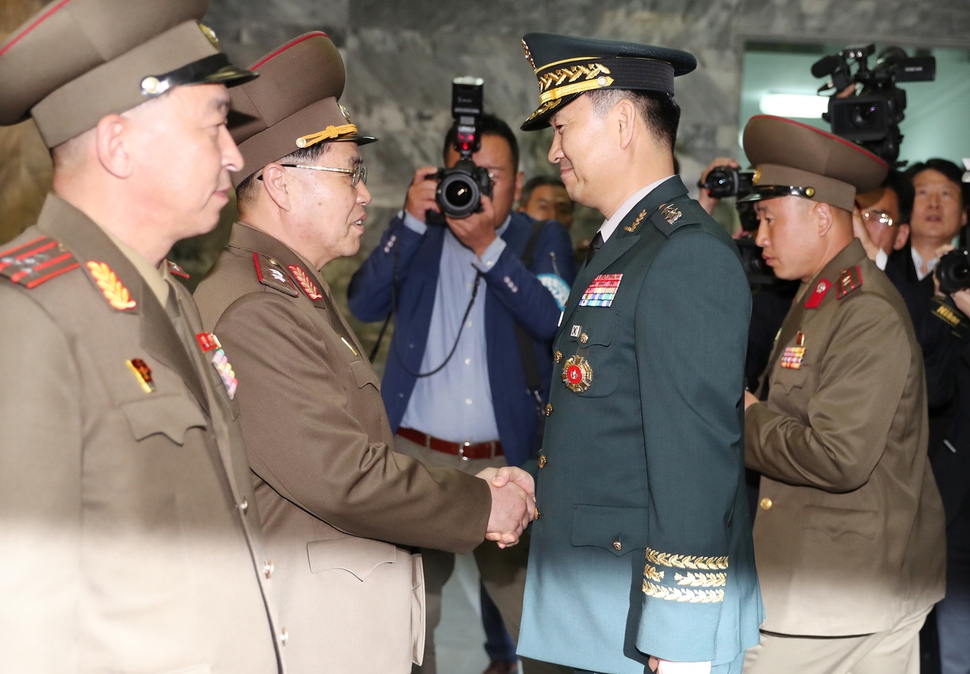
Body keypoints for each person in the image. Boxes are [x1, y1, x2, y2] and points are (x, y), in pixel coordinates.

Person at [192, 33, 536, 674]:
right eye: (348, 173)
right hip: (314, 636)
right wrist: (482, 504)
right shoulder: (256, 309)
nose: (361, 195)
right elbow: (345, 477)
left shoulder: (291, 290)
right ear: (282, 184)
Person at [0, 2, 286, 672]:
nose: (235, 154)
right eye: (215, 122)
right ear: (118, 145)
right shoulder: (29, 320)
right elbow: (21, 623)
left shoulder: (167, 295)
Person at [514, 32, 763, 674]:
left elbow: (696, 462)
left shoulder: (684, 257)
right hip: (588, 608)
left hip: (638, 626)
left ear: (622, 122)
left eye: (564, 128)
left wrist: (680, 641)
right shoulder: (626, 245)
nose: (554, 150)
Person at [347, 108, 576, 673]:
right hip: (417, 461)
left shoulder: (539, 238)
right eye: (463, 174)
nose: (473, 189)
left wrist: (487, 248)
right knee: (408, 624)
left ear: (518, 184)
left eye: (489, 178)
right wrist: (406, 220)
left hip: (508, 463)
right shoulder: (420, 235)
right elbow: (361, 304)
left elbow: (553, 321)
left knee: (538, 623)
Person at [740, 114, 947, 674]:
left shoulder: (864, 310)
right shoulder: (818, 297)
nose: (759, 237)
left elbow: (838, 455)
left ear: (822, 217)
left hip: (841, 596)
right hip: (816, 582)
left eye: (768, 219)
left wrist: (745, 418)